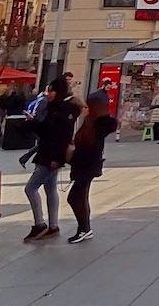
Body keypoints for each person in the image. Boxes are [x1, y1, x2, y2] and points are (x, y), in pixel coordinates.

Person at [24, 77, 80, 241]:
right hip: (47, 151)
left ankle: (39, 223)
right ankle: (53, 226)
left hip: (50, 155)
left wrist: (57, 157)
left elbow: (62, 136)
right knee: (50, 189)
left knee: (30, 188)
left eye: (51, 91)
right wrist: (33, 123)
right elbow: (46, 131)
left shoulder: (62, 111)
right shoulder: (52, 108)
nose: (48, 94)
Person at [65, 90, 117, 244]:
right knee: (81, 196)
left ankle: (84, 228)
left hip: (88, 164)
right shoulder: (89, 120)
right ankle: (85, 229)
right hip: (81, 162)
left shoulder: (102, 122)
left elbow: (109, 125)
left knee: (74, 197)